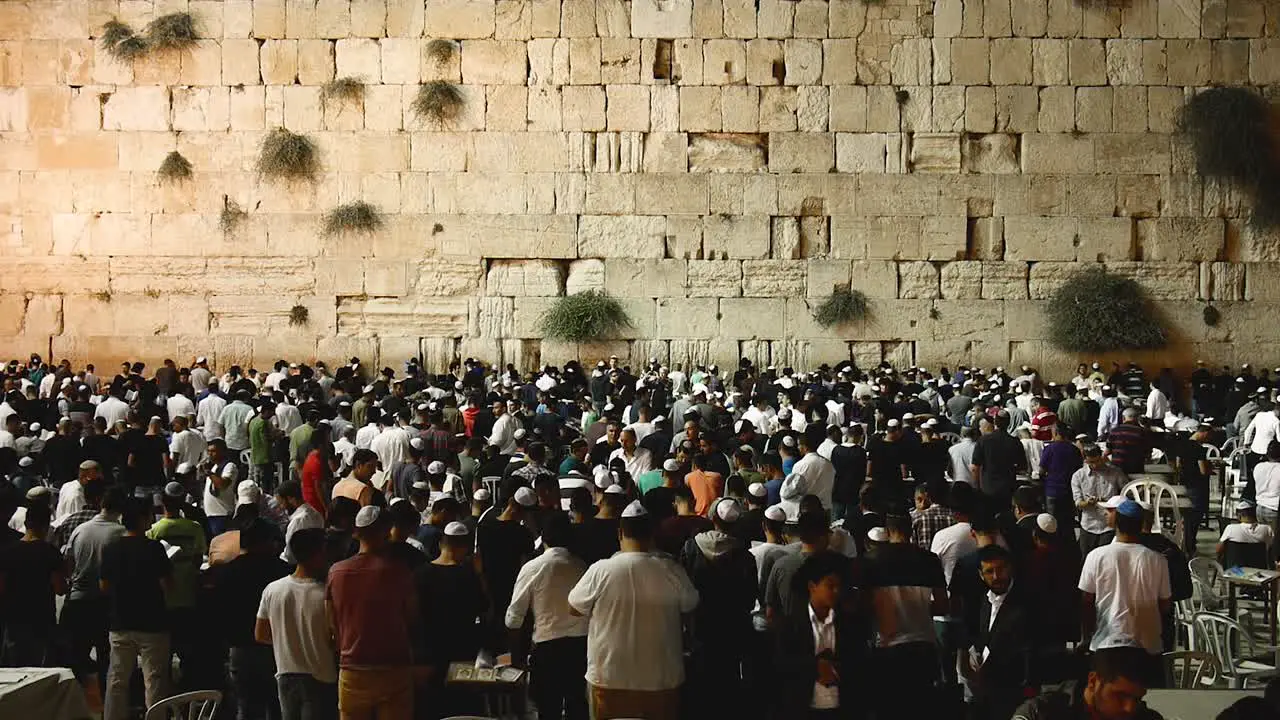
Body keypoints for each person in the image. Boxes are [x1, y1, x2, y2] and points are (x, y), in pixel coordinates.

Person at [568, 501, 698, 720]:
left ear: (620, 533)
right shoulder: (671, 570)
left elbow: (574, 607)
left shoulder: (601, 570)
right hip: (662, 680)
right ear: (652, 534)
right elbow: (690, 606)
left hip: (608, 679)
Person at [325, 506, 415, 719]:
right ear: (386, 532)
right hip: (394, 668)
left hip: (352, 668)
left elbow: (331, 624)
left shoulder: (336, 572)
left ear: (356, 533)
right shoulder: (399, 572)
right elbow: (412, 617)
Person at [862, 513, 948, 719]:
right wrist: (919, 607)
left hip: (887, 648)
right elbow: (943, 606)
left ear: (888, 530)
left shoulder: (871, 561)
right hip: (923, 646)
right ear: (911, 531)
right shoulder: (929, 560)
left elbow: (864, 606)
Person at [678, 497, 757, 718]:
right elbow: (749, 598)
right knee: (727, 675)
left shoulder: (691, 547)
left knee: (701, 674)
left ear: (712, 518)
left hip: (700, 624)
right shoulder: (745, 556)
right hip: (731, 627)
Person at [506, 512, 589, 720]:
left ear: (543, 538)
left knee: (548, 710)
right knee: (577, 709)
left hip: (547, 650)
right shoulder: (583, 567)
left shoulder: (533, 568)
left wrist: (517, 658)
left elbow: (513, 618)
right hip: (581, 649)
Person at [1079, 500, 1170, 685]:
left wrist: (1089, 635)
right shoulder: (1157, 560)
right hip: (1147, 646)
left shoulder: (1096, 556)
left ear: (1117, 523)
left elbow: (1086, 601)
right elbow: (1165, 604)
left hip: (1106, 643)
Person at [210, 518, 291, 720]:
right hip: (275, 648)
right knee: (277, 706)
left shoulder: (226, 572)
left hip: (240, 649)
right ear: (264, 542)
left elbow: (218, 612)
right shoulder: (281, 570)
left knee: (246, 707)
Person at [100, 497, 173, 720]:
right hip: (152, 622)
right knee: (154, 679)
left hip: (120, 621)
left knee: (117, 679)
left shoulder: (112, 548)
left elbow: (103, 586)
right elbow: (166, 584)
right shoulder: (154, 548)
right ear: (142, 519)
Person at [255, 528, 338, 720]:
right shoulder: (325, 594)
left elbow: (260, 634)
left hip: (285, 674)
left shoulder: (273, 590)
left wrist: (288, 641)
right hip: (321, 675)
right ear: (316, 555)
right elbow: (336, 640)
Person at [774, 551, 860, 720]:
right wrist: (814, 668)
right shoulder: (792, 623)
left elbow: (859, 661)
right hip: (803, 708)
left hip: (841, 708)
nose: (836, 591)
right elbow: (780, 663)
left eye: (839, 586)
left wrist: (837, 669)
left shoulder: (848, 623)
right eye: (830, 585)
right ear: (812, 586)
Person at [414, 521, 487, 718]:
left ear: (441, 544)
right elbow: (484, 608)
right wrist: (479, 573)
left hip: (429, 656)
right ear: (464, 547)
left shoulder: (420, 575)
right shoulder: (468, 575)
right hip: (462, 656)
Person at [62, 485, 127, 693]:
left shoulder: (80, 530)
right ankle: (104, 704)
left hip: (77, 600)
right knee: (106, 658)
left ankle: (77, 704)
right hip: (106, 603)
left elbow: (69, 564)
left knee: (76, 658)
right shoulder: (120, 533)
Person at [963, 544, 1036, 720]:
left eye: (1001, 569)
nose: (996, 576)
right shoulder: (983, 601)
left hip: (1015, 693)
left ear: (1010, 568)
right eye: (989, 571)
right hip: (986, 691)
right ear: (981, 575)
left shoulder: (1027, 602)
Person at [1011, 646, 1162, 720]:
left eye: (1137, 698)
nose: (1129, 708)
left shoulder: (1145, 718)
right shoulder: (1041, 713)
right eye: (1120, 696)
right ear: (1093, 681)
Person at [0, 502, 65, 666]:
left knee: (14, 668)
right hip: (41, 619)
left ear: (25, 523)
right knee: (38, 671)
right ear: (45, 526)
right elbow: (59, 588)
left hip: (14, 618)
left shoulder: (8, 552)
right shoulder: (51, 552)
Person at [1072, 445, 1127, 555]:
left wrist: (1113, 501)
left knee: (1106, 557)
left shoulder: (1115, 472)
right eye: (1091, 462)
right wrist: (1088, 503)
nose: (1095, 465)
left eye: (1097, 461)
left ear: (1101, 457)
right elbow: (1078, 502)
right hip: (1088, 524)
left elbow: (1127, 491)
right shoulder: (1078, 476)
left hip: (1108, 525)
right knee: (1086, 558)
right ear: (1085, 460)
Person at [276, 480, 323, 564]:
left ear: (291, 499)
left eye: (281, 503)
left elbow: (290, 555)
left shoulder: (299, 520)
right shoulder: (315, 513)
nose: (281, 507)